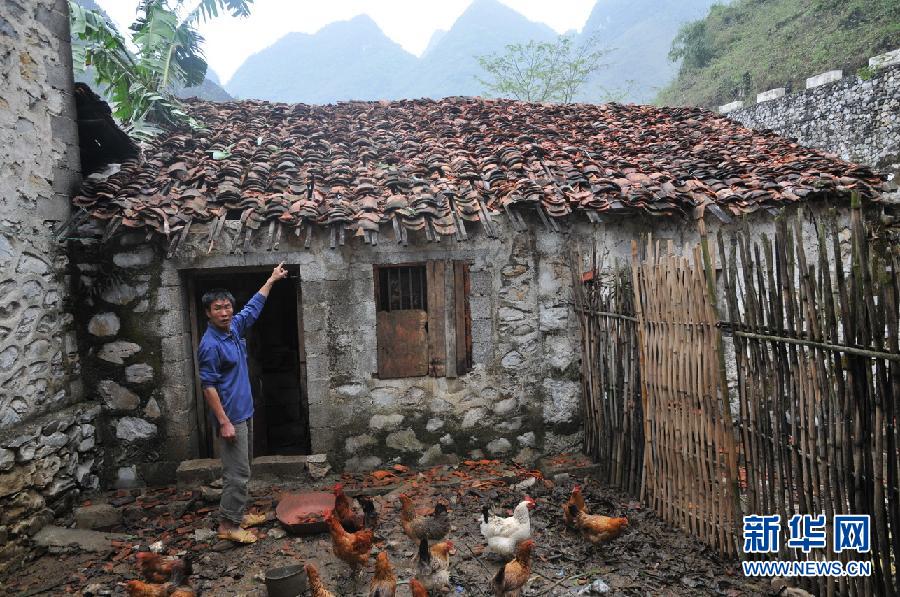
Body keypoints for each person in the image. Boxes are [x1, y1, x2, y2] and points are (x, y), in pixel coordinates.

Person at [198, 262, 289, 543]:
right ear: (208, 313)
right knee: (236, 473)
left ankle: (238, 514)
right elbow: (208, 386)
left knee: (243, 469)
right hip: (231, 417)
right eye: (218, 308)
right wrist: (224, 421)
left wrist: (272, 280)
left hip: (244, 411)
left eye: (227, 307)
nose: (224, 312)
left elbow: (252, 307)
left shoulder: (233, 328)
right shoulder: (210, 345)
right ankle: (228, 526)